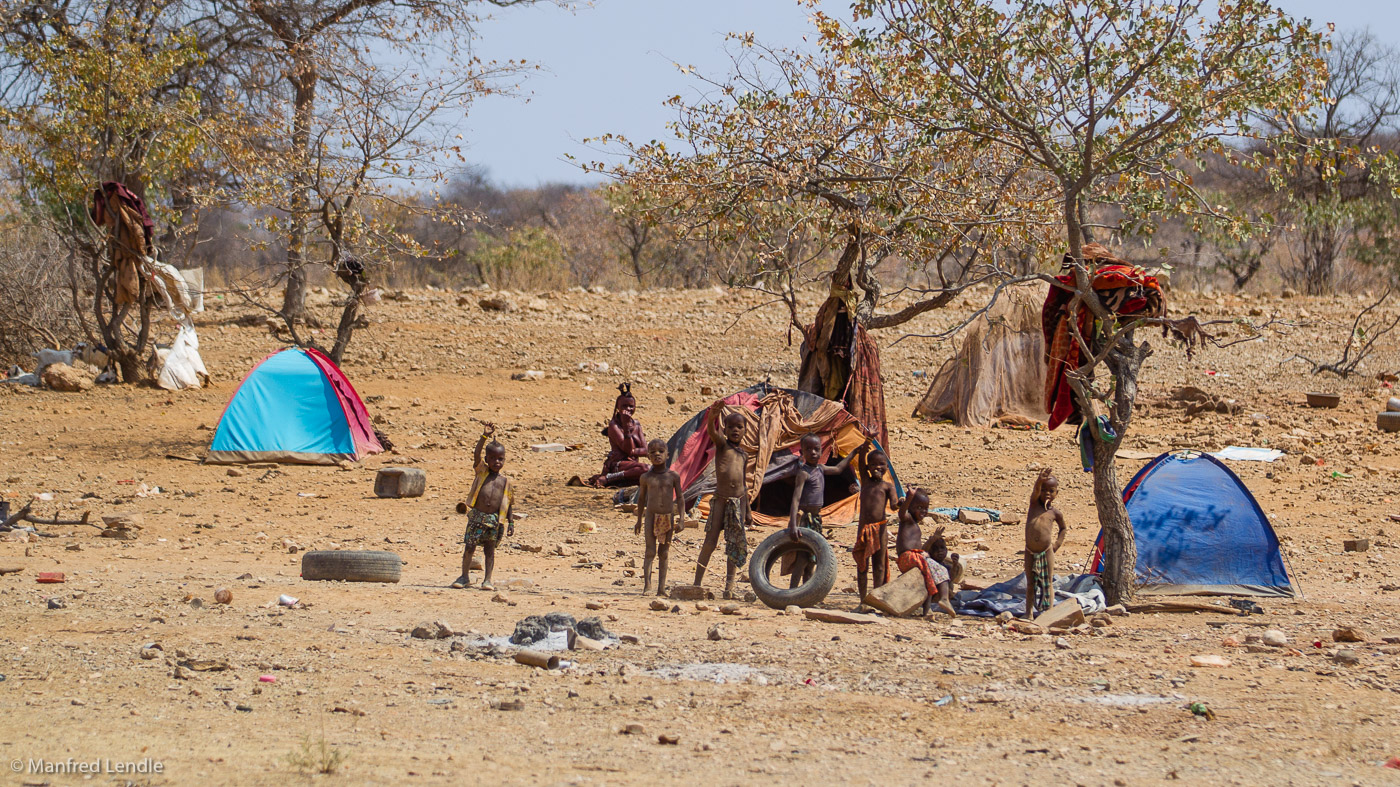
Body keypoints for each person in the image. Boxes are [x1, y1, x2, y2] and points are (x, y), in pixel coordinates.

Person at [784, 432, 869, 588]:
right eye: (808, 449)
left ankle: (805, 593)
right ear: (802, 453)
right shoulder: (803, 473)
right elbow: (795, 499)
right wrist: (793, 524)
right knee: (802, 558)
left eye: (816, 449)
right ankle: (792, 591)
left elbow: (838, 469)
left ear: (822, 451)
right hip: (806, 520)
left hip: (816, 520)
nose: (813, 452)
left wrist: (854, 453)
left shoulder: (821, 469)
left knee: (811, 560)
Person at [693, 403, 750, 599]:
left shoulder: (744, 454)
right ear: (724, 429)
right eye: (731, 427)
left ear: (745, 430)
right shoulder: (722, 445)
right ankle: (697, 583)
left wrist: (748, 511)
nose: (735, 430)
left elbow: (744, 482)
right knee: (710, 541)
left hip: (738, 503)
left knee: (733, 545)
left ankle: (729, 588)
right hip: (721, 500)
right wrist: (713, 415)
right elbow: (711, 431)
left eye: (739, 427)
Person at [452, 423, 514, 590]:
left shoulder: (505, 482)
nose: (496, 462)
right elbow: (476, 453)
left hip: (494, 520)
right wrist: (484, 436)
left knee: (489, 550)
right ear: (487, 460)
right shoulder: (481, 472)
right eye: (492, 458)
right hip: (477, 516)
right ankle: (464, 576)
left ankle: (487, 580)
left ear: (504, 460)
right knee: (470, 546)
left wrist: (511, 523)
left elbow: (509, 503)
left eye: (500, 459)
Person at [894, 489, 956, 617]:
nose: (923, 511)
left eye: (926, 508)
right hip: (909, 557)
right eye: (919, 507)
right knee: (940, 570)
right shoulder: (908, 519)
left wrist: (933, 539)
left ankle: (927, 610)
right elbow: (902, 513)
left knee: (929, 579)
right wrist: (909, 497)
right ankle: (944, 598)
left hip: (913, 557)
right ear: (910, 507)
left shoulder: (914, 524)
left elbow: (923, 549)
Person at [635, 438, 683, 596]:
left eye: (661, 452)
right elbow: (641, 499)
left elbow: (681, 498)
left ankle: (661, 588)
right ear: (648, 456)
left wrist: (681, 519)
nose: (657, 455)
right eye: (653, 452)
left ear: (667, 455)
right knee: (650, 551)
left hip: (667, 517)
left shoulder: (673, 476)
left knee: (664, 553)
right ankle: (647, 586)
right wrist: (638, 521)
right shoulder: (646, 478)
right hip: (650, 516)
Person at [853, 448, 897, 603]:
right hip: (864, 529)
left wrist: (904, 502)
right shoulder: (865, 481)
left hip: (880, 529)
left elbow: (894, 506)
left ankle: (877, 598)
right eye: (873, 464)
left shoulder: (888, 487)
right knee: (862, 564)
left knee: (879, 565)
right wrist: (867, 442)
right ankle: (863, 599)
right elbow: (860, 460)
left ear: (887, 467)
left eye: (882, 464)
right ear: (867, 468)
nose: (878, 467)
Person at [1024, 468, 1067, 618]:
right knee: (1030, 583)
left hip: (1047, 550)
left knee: (1047, 582)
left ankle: (1048, 613)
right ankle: (1028, 613)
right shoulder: (1034, 504)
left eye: (1051, 490)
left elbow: (1063, 528)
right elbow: (1035, 492)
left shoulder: (1055, 513)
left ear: (1057, 493)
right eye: (1043, 490)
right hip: (1030, 551)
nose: (1047, 493)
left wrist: (1056, 545)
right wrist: (1038, 481)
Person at [588, 383, 648, 487]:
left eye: (631, 406)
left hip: (632, 466)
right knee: (646, 469)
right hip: (618, 465)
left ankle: (620, 479)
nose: (628, 409)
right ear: (618, 407)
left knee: (653, 473)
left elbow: (646, 450)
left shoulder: (636, 424)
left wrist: (634, 452)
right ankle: (608, 478)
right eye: (624, 406)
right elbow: (628, 449)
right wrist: (625, 426)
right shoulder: (614, 425)